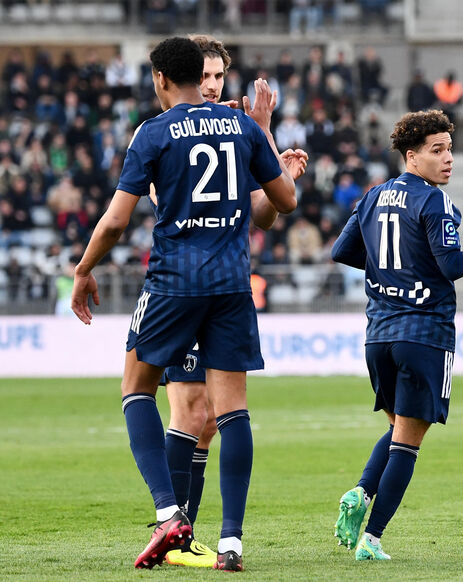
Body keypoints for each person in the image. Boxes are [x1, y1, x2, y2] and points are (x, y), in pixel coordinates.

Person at [70, 37, 298, 571]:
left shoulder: (152, 133)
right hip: (232, 283)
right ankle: (232, 543)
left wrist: (83, 270)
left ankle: (169, 513)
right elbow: (284, 202)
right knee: (233, 410)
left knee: (135, 388)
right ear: (204, 74)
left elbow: (116, 221)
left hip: (174, 282)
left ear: (159, 79)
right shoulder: (241, 126)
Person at [330, 110, 463, 561]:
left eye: (450, 149)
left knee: (400, 426)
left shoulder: (374, 195)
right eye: (437, 151)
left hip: (378, 334)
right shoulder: (435, 202)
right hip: (424, 333)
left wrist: (392, 270)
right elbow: (452, 266)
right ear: (411, 155)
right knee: (408, 442)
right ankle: (372, 538)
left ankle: (361, 492)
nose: (448, 159)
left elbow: (342, 250)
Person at [154, 34, 308, 569]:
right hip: (180, 286)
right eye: (206, 76)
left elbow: (264, 216)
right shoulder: (169, 131)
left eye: (220, 77)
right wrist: (263, 145)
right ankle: (177, 530)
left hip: (224, 284)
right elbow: (174, 199)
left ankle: (190, 533)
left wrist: (272, 172)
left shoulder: (236, 131)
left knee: (216, 418)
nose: (213, 85)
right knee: (192, 412)